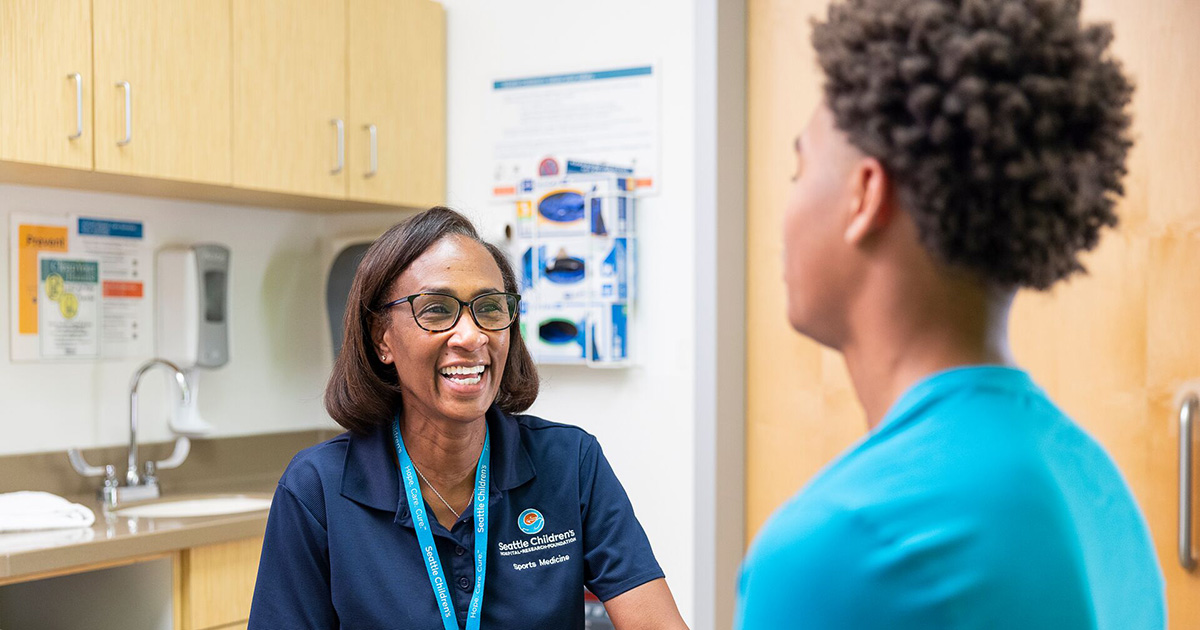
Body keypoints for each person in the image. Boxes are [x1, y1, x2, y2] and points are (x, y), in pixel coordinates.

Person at [737, 0, 1164, 628]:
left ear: (865, 195)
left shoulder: (835, 546)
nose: (786, 210)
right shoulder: (1098, 488)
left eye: (799, 169)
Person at [249, 207, 687, 630]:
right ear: (382, 338)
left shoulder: (570, 463)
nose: (472, 335)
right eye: (437, 309)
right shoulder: (318, 489)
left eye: (490, 308)